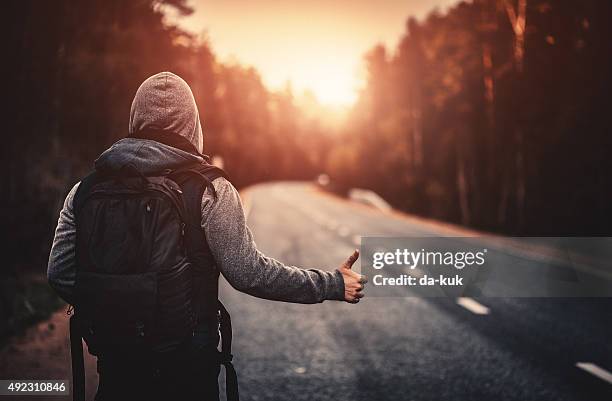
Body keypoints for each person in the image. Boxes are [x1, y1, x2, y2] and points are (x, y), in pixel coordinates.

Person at [47, 71, 367, 401]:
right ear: (193, 126)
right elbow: (249, 274)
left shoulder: (85, 190)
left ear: (135, 120)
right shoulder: (210, 190)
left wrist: (119, 311)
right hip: (187, 377)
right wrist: (331, 283)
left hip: (117, 371)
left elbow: (60, 274)